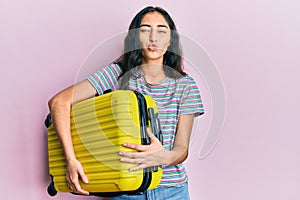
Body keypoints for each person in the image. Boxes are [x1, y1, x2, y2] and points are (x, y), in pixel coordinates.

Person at [48, 6, 204, 200]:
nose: (153, 38)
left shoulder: (185, 85)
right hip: (126, 192)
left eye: (162, 31)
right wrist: (71, 160)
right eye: (145, 30)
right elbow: (58, 102)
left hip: (173, 192)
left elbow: (182, 149)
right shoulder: (117, 74)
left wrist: (164, 156)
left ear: (170, 39)